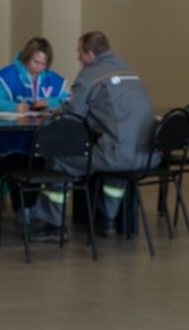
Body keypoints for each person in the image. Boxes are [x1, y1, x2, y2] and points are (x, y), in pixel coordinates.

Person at [47, 31, 160, 238]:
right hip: (149, 155)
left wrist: (55, 112)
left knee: (59, 158)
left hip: (119, 156)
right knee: (117, 162)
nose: (78, 58)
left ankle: (53, 224)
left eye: (79, 53)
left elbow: (73, 115)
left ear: (90, 54)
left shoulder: (90, 74)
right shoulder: (129, 69)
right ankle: (107, 220)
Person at [0, 37, 69, 232]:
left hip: (40, 139)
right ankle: (23, 209)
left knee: (43, 163)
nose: (38, 67)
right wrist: (15, 107)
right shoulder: (9, 75)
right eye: (35, 62)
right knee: (19, 163)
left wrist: (49, 103)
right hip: (12, 138)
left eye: (43, 63)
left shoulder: (52, 78)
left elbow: (67, 99)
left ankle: (34, 208)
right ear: (26, 58)